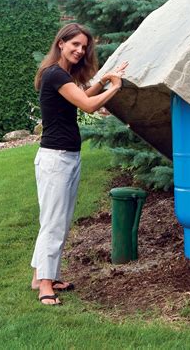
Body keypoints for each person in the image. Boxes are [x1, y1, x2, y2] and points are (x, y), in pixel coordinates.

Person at [31, 23, 128, 305]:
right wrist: (115, 87)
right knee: (54, 222)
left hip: (65, 156)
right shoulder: (54, 75)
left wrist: (105, 80)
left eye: (84, 47)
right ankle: (46, 285)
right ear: (61, 43)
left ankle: (42, 275)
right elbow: (88, 106)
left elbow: (81, 96)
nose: (80, 50)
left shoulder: (62, 76)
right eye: (75, 44)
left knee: (54, 220)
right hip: (56, 158)